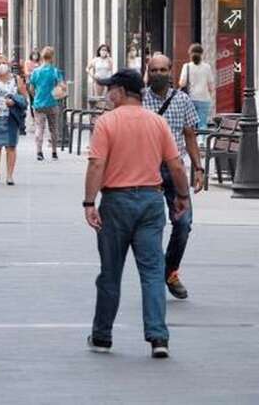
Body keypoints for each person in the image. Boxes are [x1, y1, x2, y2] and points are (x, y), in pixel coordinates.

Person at [84, 69, 189, 359]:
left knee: (110, 272)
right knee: (153, 272)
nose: (107, 94)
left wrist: (89, 203)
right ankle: (158, 337)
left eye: (109, 89)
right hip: (151, 201)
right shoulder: (157, 122)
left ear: (120, 91)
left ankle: (103, 335)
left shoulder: (106, 122)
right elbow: (177, 165)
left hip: (116, 202)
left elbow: (96, 165)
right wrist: (182, 197)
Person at [143, 54, 204, 300]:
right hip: (146, 171)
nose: (158, 74)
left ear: (171, 71)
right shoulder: (138, 100)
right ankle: (156, 273)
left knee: (183, 223)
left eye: (163, 70)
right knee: (152, 226)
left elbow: (190, 135)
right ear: (148, 72)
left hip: (175, 170)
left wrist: (198, 168)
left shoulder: (183, 100)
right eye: (154, 70)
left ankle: (169, 270)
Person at [0, 55, 27, 185]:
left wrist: (14, 101)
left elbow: (24, 97)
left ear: (8, 64)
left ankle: (9, 175)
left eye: (4, 62)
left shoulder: (16, 79)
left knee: (11, 146)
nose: (2, 65)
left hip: (11, 117)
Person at [28, 46, 66, 161]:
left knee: (39, 128)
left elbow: (31, 88)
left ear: (42, 57)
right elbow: (62, 86)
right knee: (53, 128)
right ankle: (54, 152)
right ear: (52, 57)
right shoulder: (55, 71)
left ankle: (39, 152)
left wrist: (36, 97)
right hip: (52, 103)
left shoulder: (35, 71)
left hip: (39, 103)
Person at [178, 43, 215, 141]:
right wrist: (210, 95)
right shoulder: (207, 67)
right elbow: (211, 84)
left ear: (190, 54)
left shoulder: (187, 66)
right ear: (202, 54)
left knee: (190, 122)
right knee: (202, 122)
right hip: (204, 98)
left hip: (190, 99)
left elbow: (182, 83)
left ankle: (192, 141)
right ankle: (202, 141)